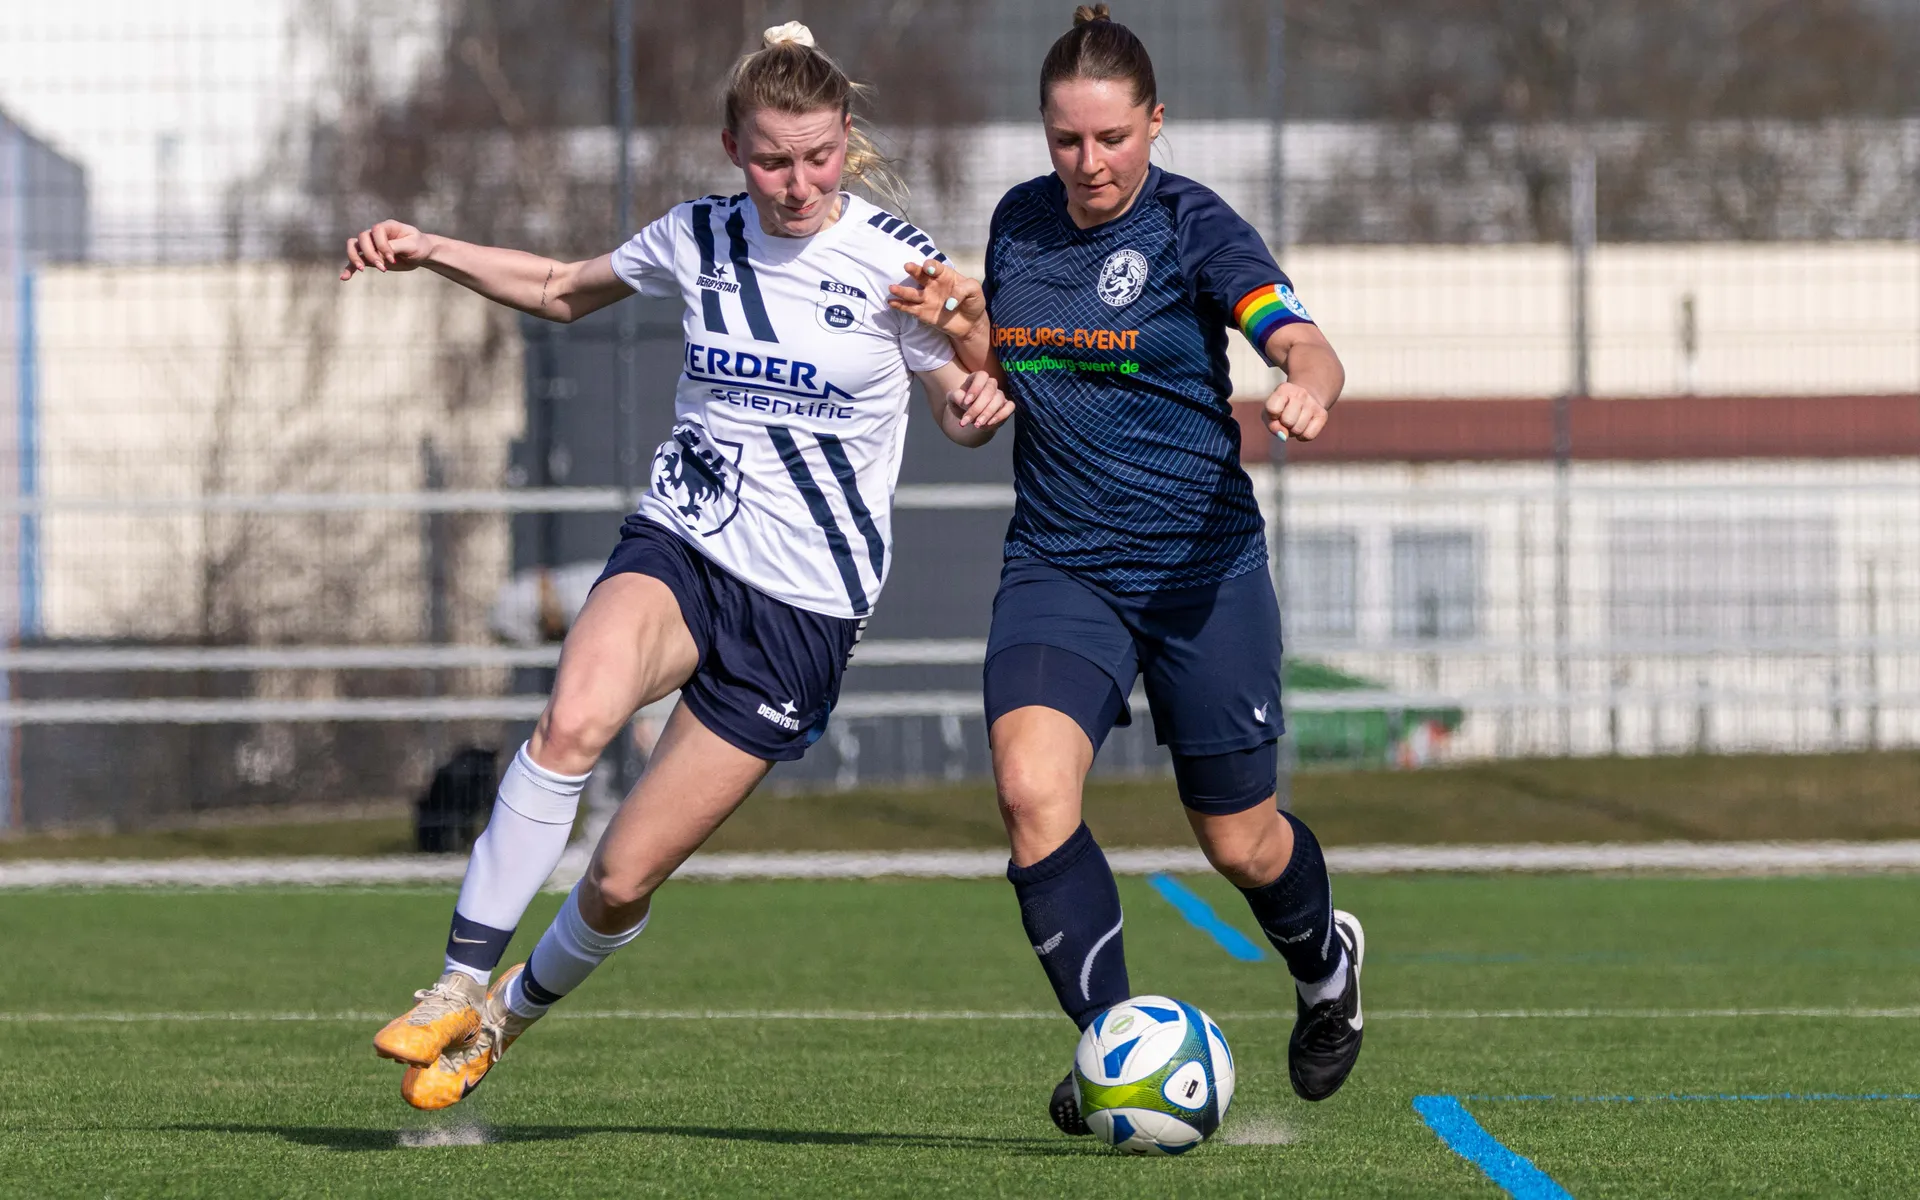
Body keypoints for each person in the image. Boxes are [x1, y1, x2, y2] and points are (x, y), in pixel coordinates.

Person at [340, 22, 1010, 1110]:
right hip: (683, 544)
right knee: (569, 722)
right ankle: (456, 982)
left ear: (847, 141)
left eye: (818, 157)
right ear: (730, 147)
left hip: (801, 609)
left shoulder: (900, 264)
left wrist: (978, 381)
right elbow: (562, 286)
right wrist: (434, 249)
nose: (796, 183)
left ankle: (505, 1020)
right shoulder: (698, 235)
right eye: (770, 159)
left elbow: (965, 409)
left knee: (617, 878)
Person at [887, 4, 1362, 1134]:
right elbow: (990, 386)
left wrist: (1307, 386)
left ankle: (1326, 964)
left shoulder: (1199, 229)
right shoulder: (1017, 227)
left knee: (1240, 838)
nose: (1089, 163)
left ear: (1156, 123)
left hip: (1201, 570)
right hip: (1062, 566)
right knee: (1029, 792)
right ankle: (1112, 1044)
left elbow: (1301, 339)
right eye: (1066, 140)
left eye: (1112, 139)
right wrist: (968, 374)